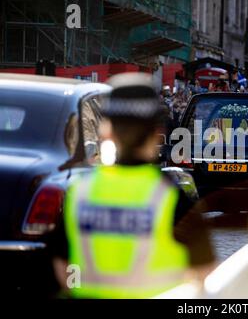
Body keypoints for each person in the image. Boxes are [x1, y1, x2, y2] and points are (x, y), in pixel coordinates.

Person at [50, 73, 215, 299]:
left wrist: (78, 287)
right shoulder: (173, 197)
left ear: (106, 131)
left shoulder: (79, 192)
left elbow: (63, 264)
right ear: (157, 134)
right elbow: (206, 273)